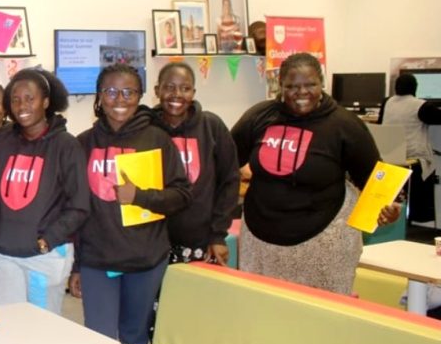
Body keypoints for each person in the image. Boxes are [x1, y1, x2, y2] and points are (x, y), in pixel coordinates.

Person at [231, 53, 401, 294]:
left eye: (310, 84)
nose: (301, 92)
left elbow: (374, 177)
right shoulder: (259, 116)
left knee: (320, 318)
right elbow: (225, 162)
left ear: (322, 84)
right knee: (264, 314)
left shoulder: (344, 124)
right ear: (280, 86)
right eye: (292, 86)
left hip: (323, 243)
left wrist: (387, 208)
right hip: (261, 243)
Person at [70, 64, 191, 344]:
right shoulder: (83, 143)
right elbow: (76, 209)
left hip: (145, 260)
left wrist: (140, 196)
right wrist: (76, 265)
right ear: (99, 96)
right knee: (97, 341)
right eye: (111, 91)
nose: (120, 99)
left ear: (140, 96)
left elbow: (181, 195)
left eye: (129, 92)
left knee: (134, 338)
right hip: (98, 260)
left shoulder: (157, 140)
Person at [0, 69, 88, 313]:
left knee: (42, 332)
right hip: (4, 255)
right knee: (9, 327)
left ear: (46, 102)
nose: (22, 105)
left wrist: (46, 241)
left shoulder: (66, 146)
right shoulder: (4, 142)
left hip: (45, 257)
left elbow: (79, 205)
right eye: (16, 99)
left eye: (30, 98)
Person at [152, 62, 240, 264]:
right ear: (157, 90)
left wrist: (218, 234)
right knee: (158, 296)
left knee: (200, 295)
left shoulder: (211, 126)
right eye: (169, 87)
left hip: (203, 243)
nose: (177, 94)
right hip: (154, 243)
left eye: (185, 88)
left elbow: (230, 180)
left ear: (194, 92)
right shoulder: (147, 129)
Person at [380, 73, 441, 225]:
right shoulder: (421, 105)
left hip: (390, 159)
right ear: (415, 88)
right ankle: (422, 220)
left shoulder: (387, 102)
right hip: (413, 161)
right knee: (430, 163)